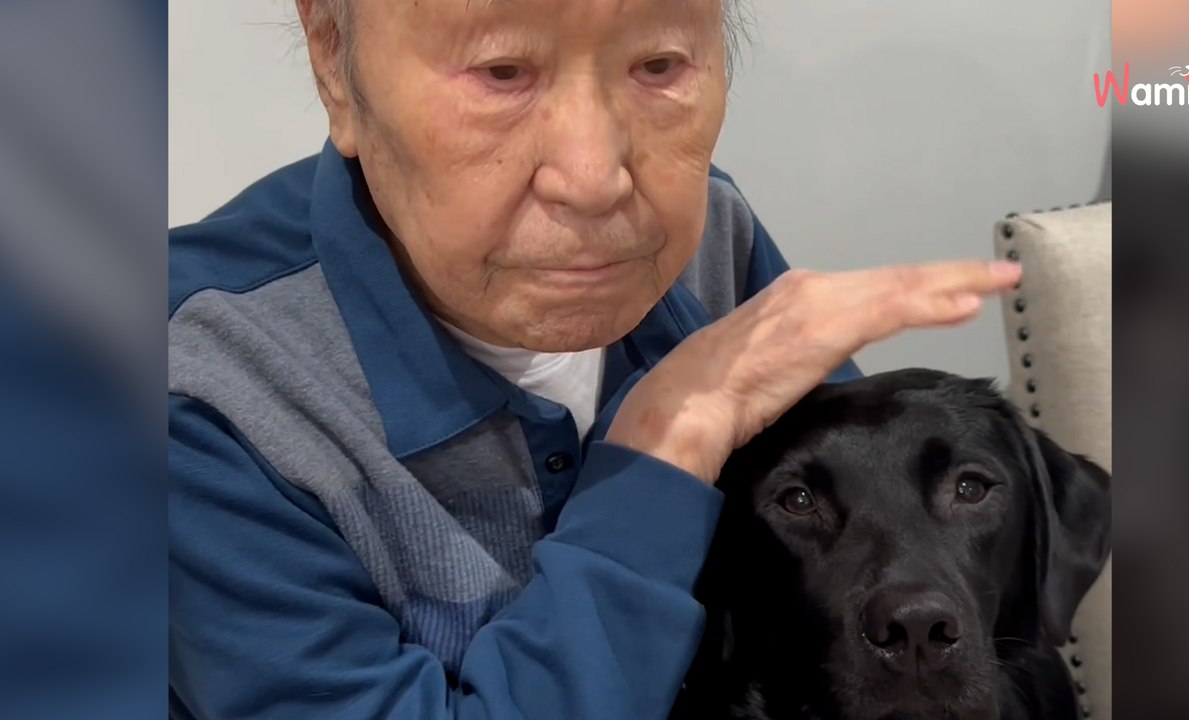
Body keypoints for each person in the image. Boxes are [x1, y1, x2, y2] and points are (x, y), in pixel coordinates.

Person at [167, 1, 1021, 718]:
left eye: (658, 66)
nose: (594, 177)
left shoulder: (707, 242)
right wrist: (661, 450)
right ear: (332, 58)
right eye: (503, 73)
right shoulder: (192, 392)